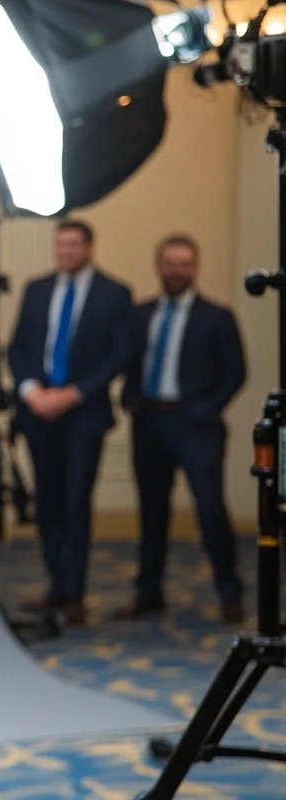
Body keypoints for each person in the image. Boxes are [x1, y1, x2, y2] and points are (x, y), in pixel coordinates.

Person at [8, 218, 133, 626]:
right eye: (59, 246)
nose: (65, 253)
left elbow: (117, 356)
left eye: (73, 246)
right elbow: (20, 347)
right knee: (47, 501)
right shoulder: (37, 289)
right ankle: (56, 585)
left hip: (84, 414)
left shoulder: (115, 294)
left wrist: (73, 393)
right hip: (38, 411)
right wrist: (31, 391)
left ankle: (75, 593)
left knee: (77, 502)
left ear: (89, 248)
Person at [118, 234, 246, 624]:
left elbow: (235, 373)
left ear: (196, 268)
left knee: (209, 510)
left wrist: (206, 409)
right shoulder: (140, 314)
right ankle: (148, 592)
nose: (177, 271)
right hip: (150, 422)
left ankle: (229, 592)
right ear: (159, 266)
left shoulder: (217, 316)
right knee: (152, 512)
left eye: (185, 264)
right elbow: (127, 362)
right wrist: (132, 400)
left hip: (197, 427)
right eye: (170, 263)